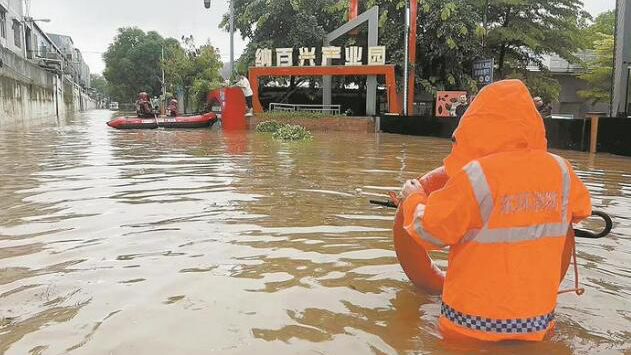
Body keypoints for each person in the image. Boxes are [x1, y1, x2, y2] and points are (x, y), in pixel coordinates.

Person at [397, 79, 591, 341]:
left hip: (469, 326)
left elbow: (430, 230)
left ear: (476, 123)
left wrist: (413, 197)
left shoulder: (476, 176)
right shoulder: (562, 170)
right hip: (536, 324)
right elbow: (580, 210)